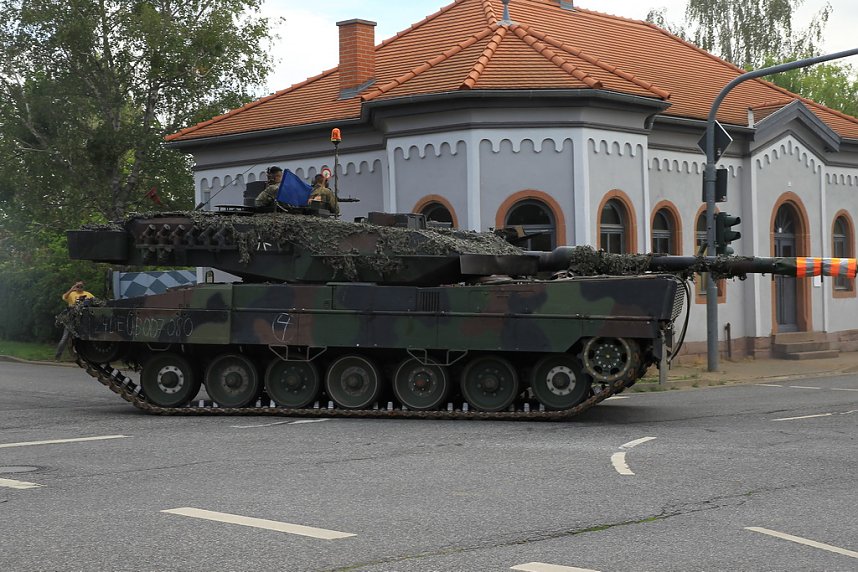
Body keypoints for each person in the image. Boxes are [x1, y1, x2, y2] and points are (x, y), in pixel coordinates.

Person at [55, 281, 94, 361]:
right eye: (78, 286)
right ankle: (58, 356)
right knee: (65, 337)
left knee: (83, 337)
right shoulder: (72, 294)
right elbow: (64, 297)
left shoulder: (88, 294)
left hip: (84, 318)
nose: (79, 288)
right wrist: (72, 289)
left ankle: (85, 356)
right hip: (72, 318)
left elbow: (95, 301)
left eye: (81, 286)